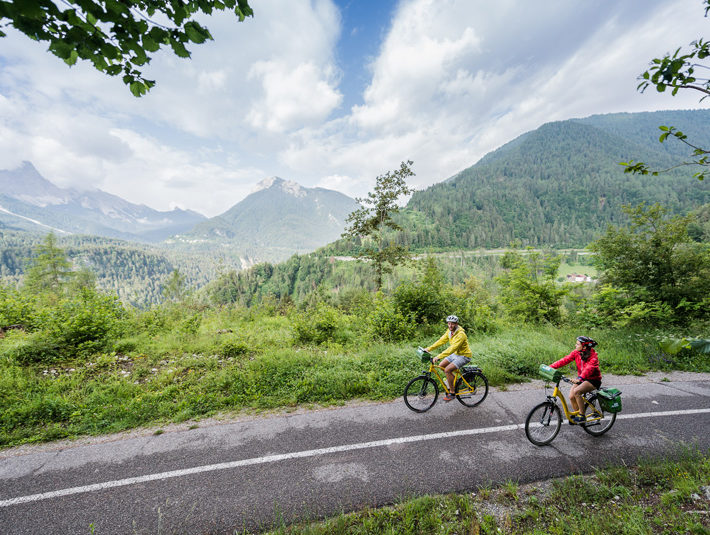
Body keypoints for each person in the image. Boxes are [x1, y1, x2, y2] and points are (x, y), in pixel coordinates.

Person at [549, 336, 601, 423]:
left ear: (584, 347)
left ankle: (582, 415)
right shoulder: (576, 353)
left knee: (577, 392)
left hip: (592, 380)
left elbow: (589, 368)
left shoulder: (593, 357)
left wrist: (580, 378)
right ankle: (577, 414)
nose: (575, 345)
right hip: (581, 378)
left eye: (577, 344)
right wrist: (551, 367)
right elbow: (565, 360)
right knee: (571, 396)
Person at [424, 315, 472, 401]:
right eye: (449, 323)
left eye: (452, 324)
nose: (450, 326)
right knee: (442, 365)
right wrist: (429, 348)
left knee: (447, 370)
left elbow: (452, 348)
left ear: (456, 324)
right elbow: (441, 341)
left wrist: (439, 356)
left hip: (464, 356)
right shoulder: (449, 331)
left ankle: (452, 393)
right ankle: (457, 382)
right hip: (455, 354)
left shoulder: (461, 334)